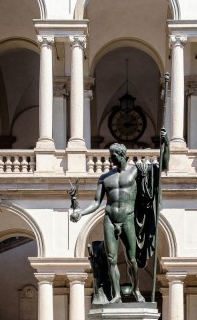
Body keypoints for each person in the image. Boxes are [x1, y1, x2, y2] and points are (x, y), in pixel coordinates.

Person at [71, 129, 169, 303]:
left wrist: (165, 143)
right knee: (111, 259)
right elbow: (96, 203)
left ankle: (136, 290)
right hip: (109, 219)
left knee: (132, 259)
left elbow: (163, 167)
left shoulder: (135, 171)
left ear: (121, 155)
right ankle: (116, 294)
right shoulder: (104, 178)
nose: (110, 159)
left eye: (113, 155)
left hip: (128, 219)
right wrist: (80, 213)